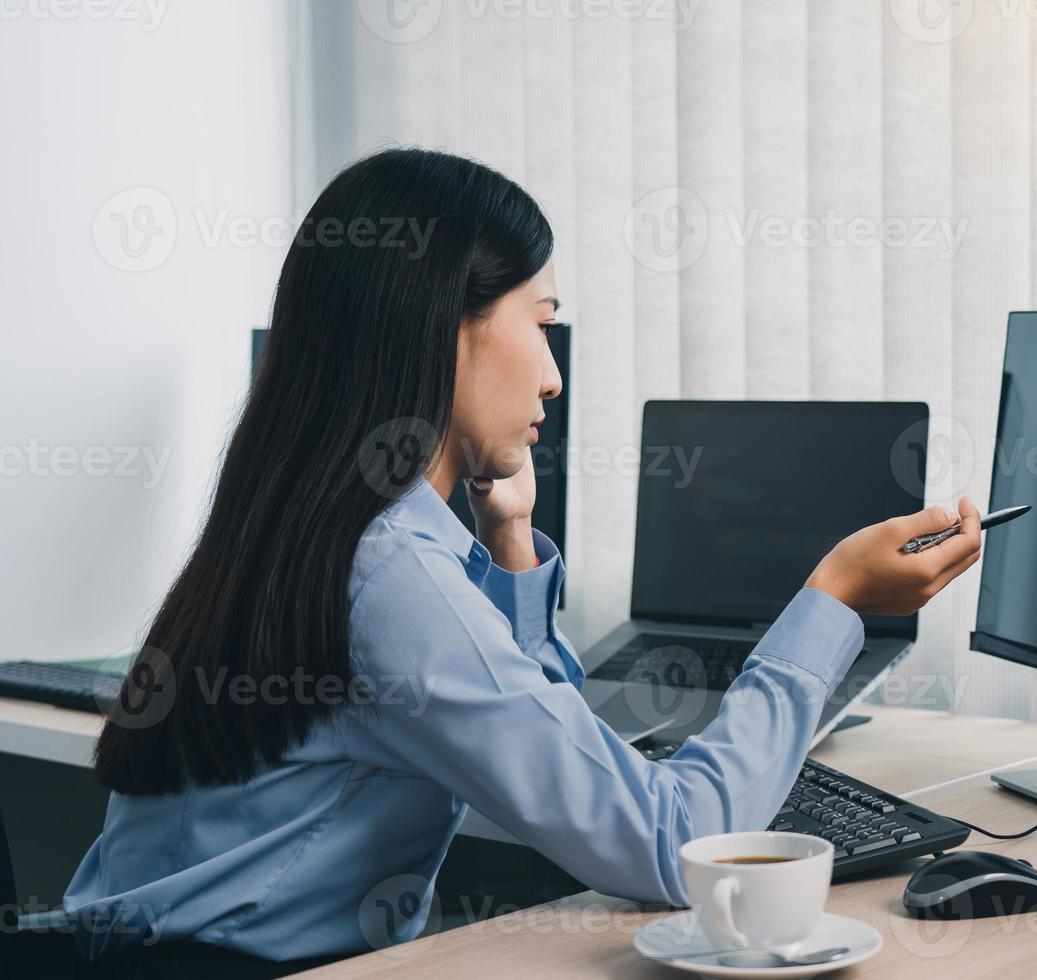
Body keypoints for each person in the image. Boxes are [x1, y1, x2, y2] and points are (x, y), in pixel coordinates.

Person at [59, 148, 982, 972]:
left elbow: (543, 743)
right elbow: (680, 844)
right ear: (443, 329)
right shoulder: (391, 574)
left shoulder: (303, 522)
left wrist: (507, 546)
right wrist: (834, 597)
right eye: (541, 323)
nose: (553, 372)